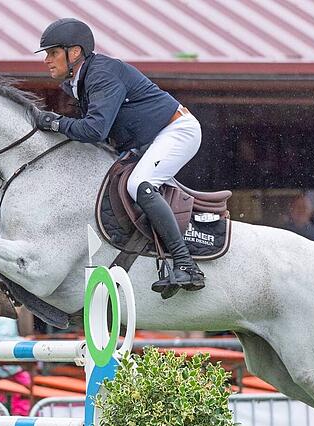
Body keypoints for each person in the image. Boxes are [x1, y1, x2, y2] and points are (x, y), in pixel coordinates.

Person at [32, 18, 204, 295]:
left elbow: (95, 129)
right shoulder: (79, 81)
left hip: (176, 130)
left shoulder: (101, 73)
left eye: (53, 53)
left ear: (74, 52)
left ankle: (186, 265)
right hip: (147, 141)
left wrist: (54, 123)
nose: (47, 60)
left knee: (140, 185)